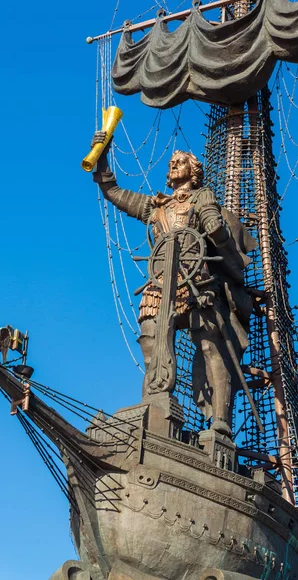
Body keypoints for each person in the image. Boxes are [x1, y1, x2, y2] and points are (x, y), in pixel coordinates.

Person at [91, 132, 256, 436]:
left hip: (197, 281)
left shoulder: (203, 196)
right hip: (159, 282)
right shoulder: (155, 207)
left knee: (208, 345)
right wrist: (101, 154)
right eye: (172, 163)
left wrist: (211, 221)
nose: (173, 165)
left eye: (180, 162)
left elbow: (216, 229)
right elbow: (113, 191)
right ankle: (155, 402)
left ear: (193, 172)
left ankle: (219, 419)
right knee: (151, 340)